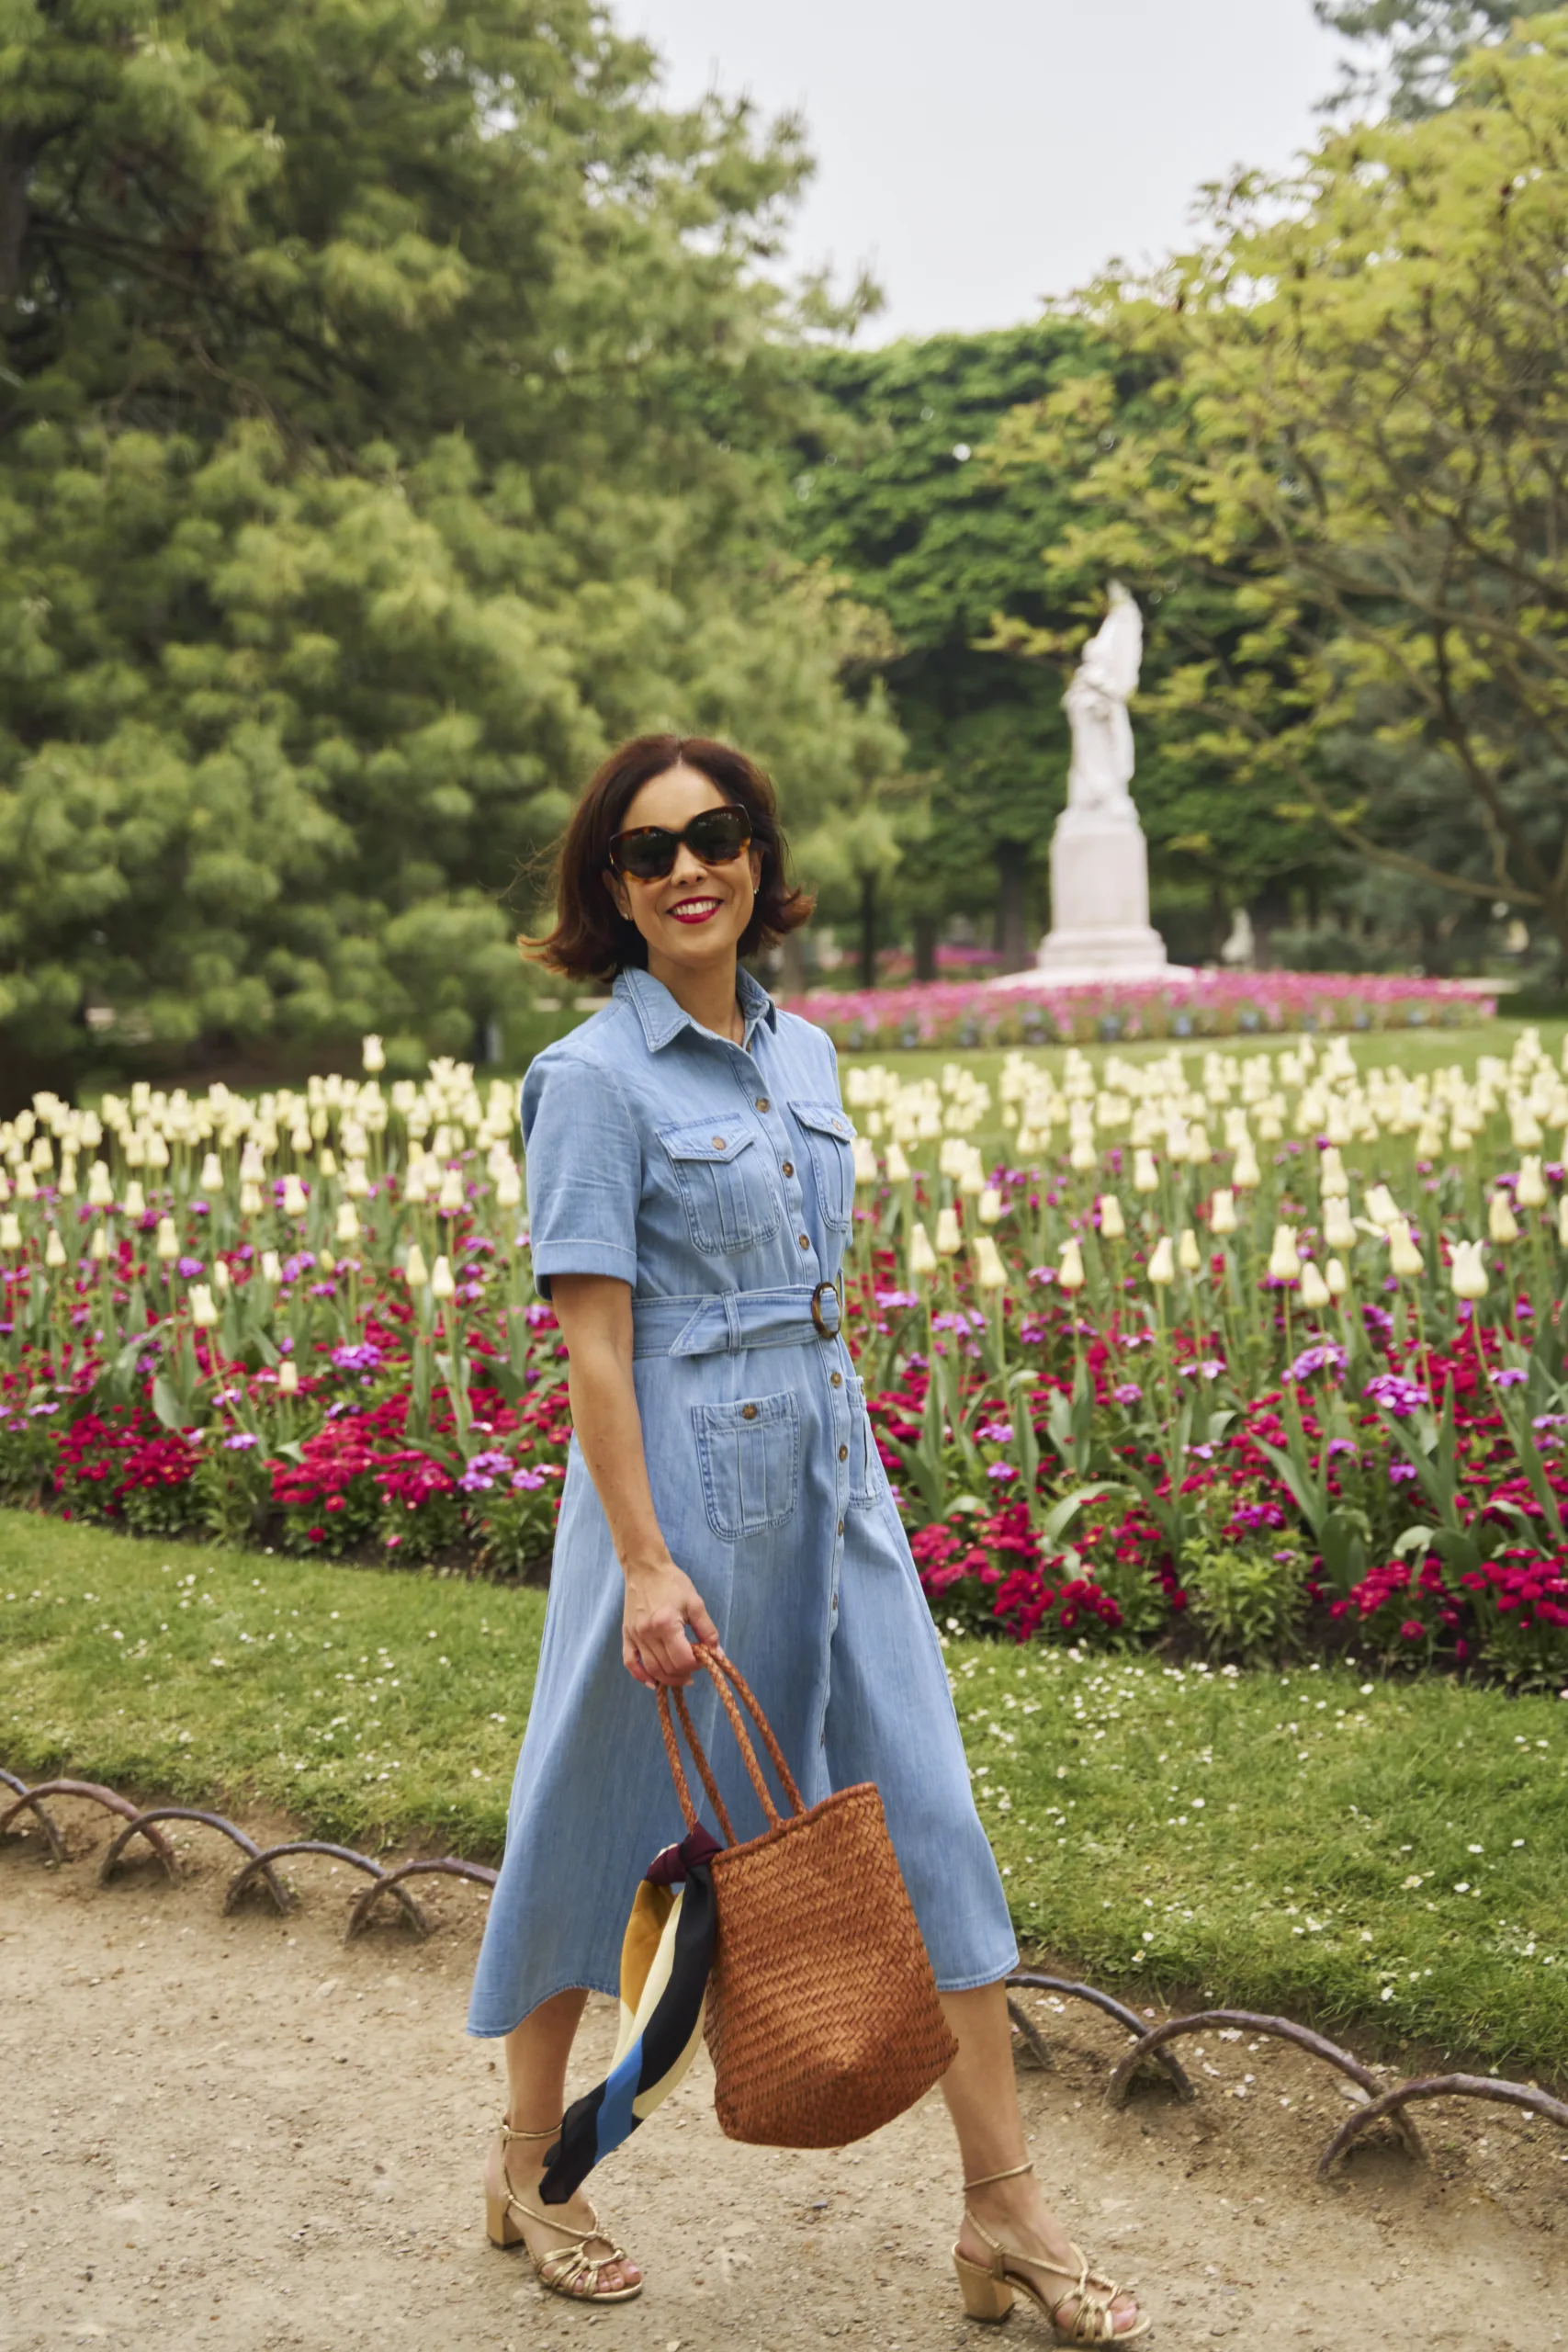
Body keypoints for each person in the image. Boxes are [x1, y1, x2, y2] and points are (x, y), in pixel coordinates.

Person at [466, 733, 1148, 2340]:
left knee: (926, 1821)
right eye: (650, 851)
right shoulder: (587, 1079)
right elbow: (591, 1346)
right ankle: (531, 2165)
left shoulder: (810, 1057)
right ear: (611, 891)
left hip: (831, 1487)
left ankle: (1003, 2212)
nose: (689, 866)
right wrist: (642, 1560)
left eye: (718, 835)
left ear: (760, 859)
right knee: (602, 1823)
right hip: (675, 1499)